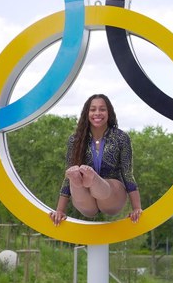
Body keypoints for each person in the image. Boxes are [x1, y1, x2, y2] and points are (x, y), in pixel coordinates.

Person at [50, 94, 142, 226]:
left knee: (103, 184)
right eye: (93, 109)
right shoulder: (75, 140)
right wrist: (59, 210)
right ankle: (80, 180)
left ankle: (93, 178)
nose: (97, 113)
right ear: (86, 113)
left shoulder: (121, 138)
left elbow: (127, 173)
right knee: (74, 179)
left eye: (102, 109)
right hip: (87, 199)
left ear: (109, 112)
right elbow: (67, 179)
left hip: (113, 196)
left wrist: (137, 208)